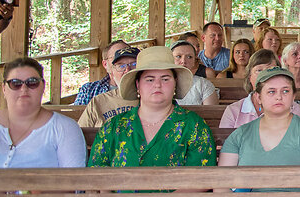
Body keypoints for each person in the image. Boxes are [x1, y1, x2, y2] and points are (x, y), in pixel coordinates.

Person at [86, 46, 216, 167]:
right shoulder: (113, 127)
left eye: (165, 79)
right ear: (138, 85)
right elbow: (96, 176)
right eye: (149, 79)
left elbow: (201, 179)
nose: (157, 85)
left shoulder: (194, 126)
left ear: (175, 84)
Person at [219, 67, 300, 175]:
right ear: (259, 97)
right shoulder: (240, 134)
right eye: (271, 92)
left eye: (285, 91)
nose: (279, 97)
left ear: (293, 97)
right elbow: (221, 183)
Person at [0, 57, 86, 167]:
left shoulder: (64, 128)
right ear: (4, 88)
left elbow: (73, 181)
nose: (23, 89)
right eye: (15, 83)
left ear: (43, 86)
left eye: (32, 82)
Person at [220, 49, 300, 128]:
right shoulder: (233, 111)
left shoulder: (293, 108)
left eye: (270, 70)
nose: (264, 75)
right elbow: (225, 143)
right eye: (259, 70)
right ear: (250, 77)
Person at [78, 47, 141, 127]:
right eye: (121, 66)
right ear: (112, 72)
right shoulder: (98, 102)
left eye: (134, 64)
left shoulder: (154, 99)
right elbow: (81, 133)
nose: (127, 70)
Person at [73, 39, 130, 105]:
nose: (125, 64)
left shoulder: (142, 88)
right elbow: (78, 114)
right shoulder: (89, 90)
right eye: (116, 57)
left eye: (128, 56)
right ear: (105, 64)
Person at [170, 41, 219, 106]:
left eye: (189, 57)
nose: (183, 61)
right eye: (178, 56)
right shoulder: (160, 84)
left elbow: (210, 114)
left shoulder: (204, 85)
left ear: (194, 61)